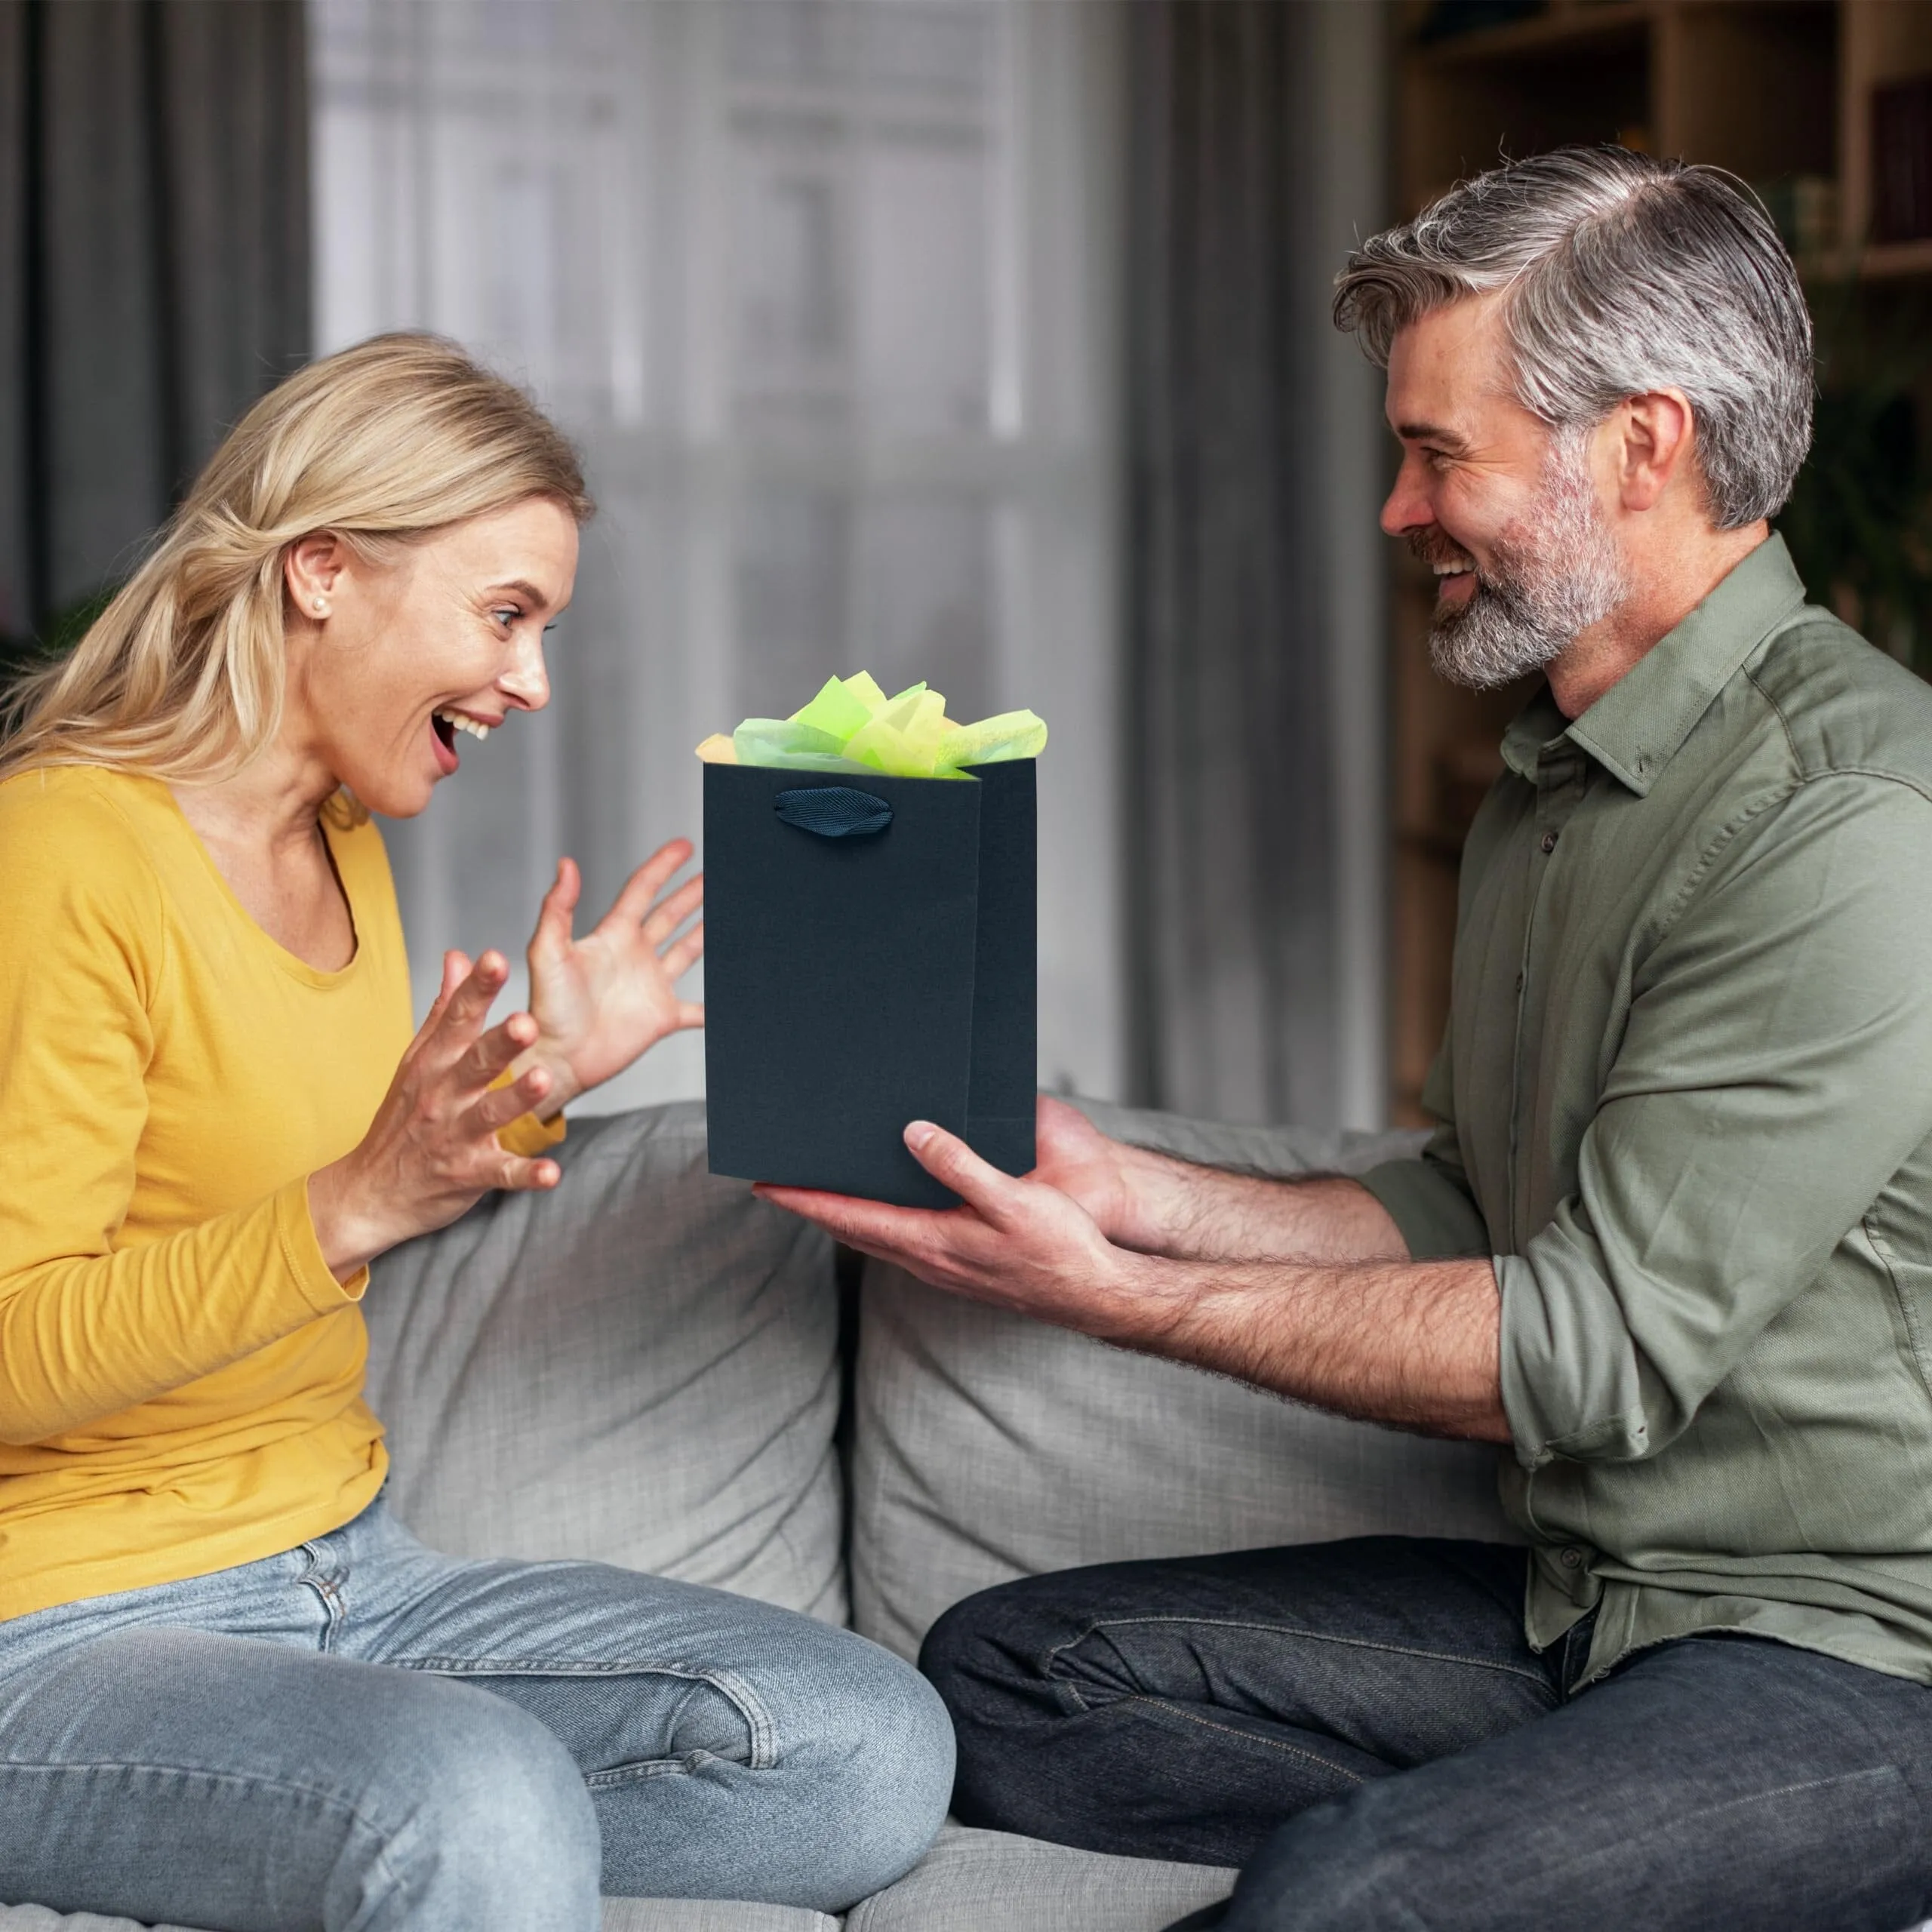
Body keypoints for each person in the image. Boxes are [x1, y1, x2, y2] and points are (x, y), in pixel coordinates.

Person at [760, 146, 1932, 1932]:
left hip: (1855, 1659)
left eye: (1435, 451)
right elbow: (1471, 1201)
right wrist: (1127, 1188)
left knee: (1349, 1893)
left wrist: (1114, 1294)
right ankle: (1592, 1842)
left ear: (1643, 445)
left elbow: (1590, 1343)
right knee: (1013, 1678)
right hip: (1586, 1611)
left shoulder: (1844, 819)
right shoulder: (1545, 787)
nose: (1396, 508)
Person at [0, 333, 952, 1932]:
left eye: (544, 627)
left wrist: (539, 1081)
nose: (530, 680)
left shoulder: (338, 831)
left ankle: (364, 1827)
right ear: (319, 573)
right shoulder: (62, 857)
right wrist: (353, 1200)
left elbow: (310, 1170)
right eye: (504, 614)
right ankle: (406, 1824)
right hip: (61, 1620)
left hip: (346, 1564)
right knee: (475, 1793)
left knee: (861, 1747)